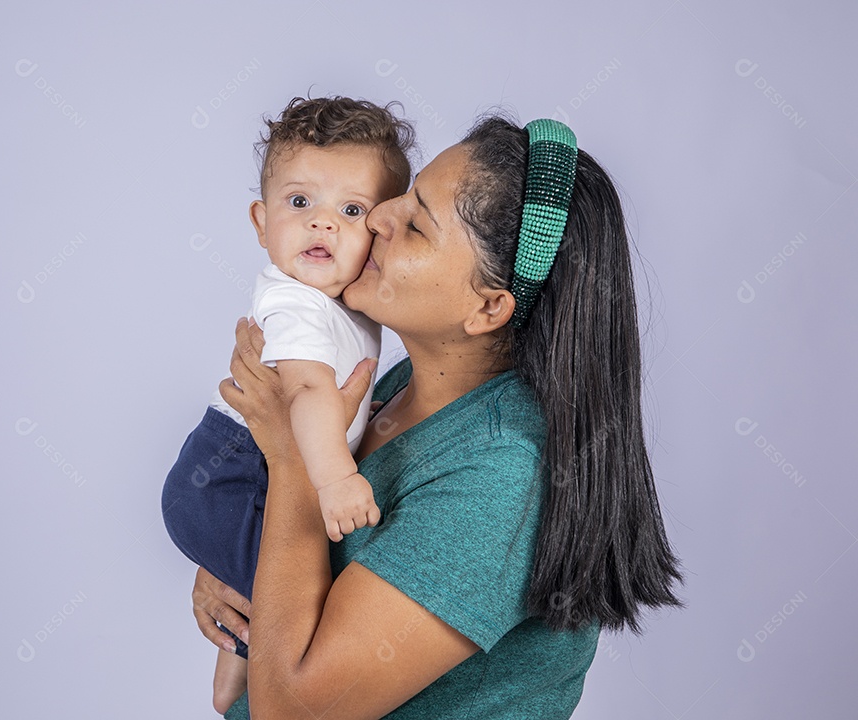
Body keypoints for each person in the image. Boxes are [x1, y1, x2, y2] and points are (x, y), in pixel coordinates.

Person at [192, 112, 685, 718]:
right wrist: (235, 559)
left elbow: (292, 712)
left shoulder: (502, 475)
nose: (377, 216)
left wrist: (291, 454)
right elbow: (296, 567)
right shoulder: (404, 385)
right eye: (402, 195)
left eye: (415, 224)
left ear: (488, 307)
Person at [161, 96, 416, 712]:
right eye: (299, 202)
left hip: (246, 472)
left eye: (351, 210)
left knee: (273, 582)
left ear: (380, 230)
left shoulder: (341, 300)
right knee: (302, 597)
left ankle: (233, 671)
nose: (322, 224)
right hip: (233, 472)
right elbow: (304, 391)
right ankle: (242, 674)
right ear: (261, 220)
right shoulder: (296, 302)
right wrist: (336, 479)